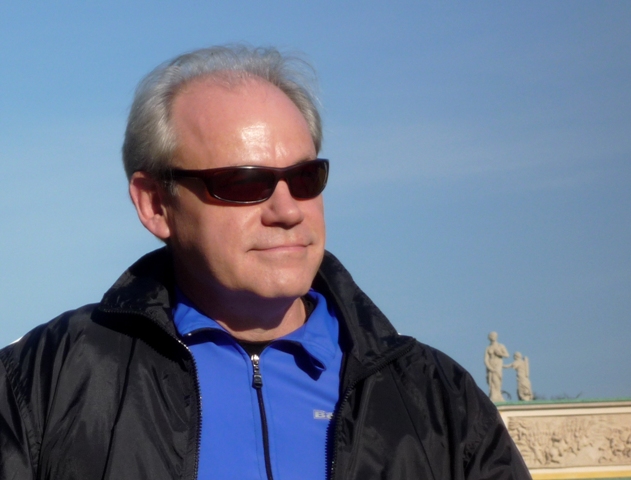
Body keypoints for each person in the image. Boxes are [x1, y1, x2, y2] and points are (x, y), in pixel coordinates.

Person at [0, 45, 531, 479]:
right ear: (156, 204)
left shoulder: (440, 403)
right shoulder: (43, 385)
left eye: (305, 178)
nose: (287, 210)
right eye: (243, 183)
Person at [485, 331, 510, 402]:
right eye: (491, 336)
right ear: (489, 338)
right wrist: (489, 367)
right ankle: (493, 396)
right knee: (491, 381)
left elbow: (507, 355)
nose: (493, 337)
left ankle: (498, 395)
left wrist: (499, 353)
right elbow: (486, 359)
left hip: (498, 364)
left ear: (496, 337)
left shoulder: (500, 346)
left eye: (494, 336)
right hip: (491, 365)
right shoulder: (488, 348)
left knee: (497, 380)